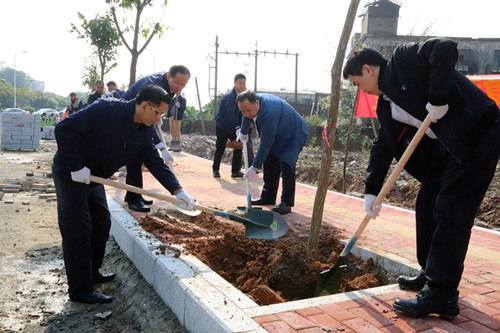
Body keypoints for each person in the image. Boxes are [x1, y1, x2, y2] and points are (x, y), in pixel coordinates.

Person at [343, 38, 500, 318]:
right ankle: (430, 273)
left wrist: (437, 99)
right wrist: (371, 191)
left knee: (451, 211)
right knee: (427, 202)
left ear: (367, 69)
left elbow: (444, 48)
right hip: (448, 148)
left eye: (357, 83)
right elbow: (383, 146)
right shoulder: (386, 105)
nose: (361, 90)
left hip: (478, 134)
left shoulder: (404, 60)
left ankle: (442, 293)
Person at [52, 85, 195, 304]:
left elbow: (153, 160)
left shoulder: (145, 128)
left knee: (101, 223)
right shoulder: (105, 109)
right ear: (145, 105)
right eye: (158, 114)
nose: (159, 120)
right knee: (78, 230)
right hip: (72, 174)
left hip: (94, 176)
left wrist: (177, 190)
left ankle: (92, 273)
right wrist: (76, 166)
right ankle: (80, 289)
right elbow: (63, 129)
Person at [122, 65, 191, 212]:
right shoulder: (155, 87)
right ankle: (134, 199)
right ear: (168, 77)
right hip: (128, 119)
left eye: (183, 85)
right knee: (137, 157)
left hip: (143, 117)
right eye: (177, 83)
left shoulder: (169, 88)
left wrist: (157, 115)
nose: (179, 87)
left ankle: (134, 194)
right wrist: (160, 146)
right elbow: (147, 124)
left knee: (139, 157)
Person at [237, 91, 308, 215]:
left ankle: (286, 202)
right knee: (270, 161)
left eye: (249, 110)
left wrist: (254, 167)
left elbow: (266, 143)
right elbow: (246, 114)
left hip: (293, 133)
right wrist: (243, 131)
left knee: (287, 164)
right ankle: (268, 196)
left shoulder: (268, 113)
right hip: (279, 130)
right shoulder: (251, 103)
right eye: (243, 111)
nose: (247, 114)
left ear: (257, 103)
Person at [212, 73, 248, 178]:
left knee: (238, 147)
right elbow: (231, 114)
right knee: (220, 147)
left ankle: (235, 171)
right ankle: (215, 169)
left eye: (244, 83)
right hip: (223, 126)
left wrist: (243, 128)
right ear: (234, 83)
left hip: (235, 126)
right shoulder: (229, 97)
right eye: (240, 83)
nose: (242, 85)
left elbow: (243, 113)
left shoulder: (244, 96)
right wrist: (237, 128)